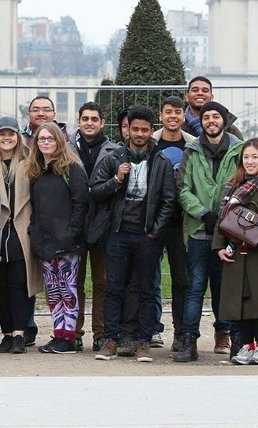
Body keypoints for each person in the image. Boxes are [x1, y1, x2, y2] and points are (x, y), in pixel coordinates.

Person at [90, 106, 176, 363]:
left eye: (145, 130)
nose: (139, 134)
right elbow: (95, 191)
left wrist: (156, 231)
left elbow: (168, 200)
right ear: (126, 130)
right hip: (118, 234)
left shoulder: (161, 161)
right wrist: (117, 179)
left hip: (146, 236)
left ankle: (143, 340)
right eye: (135, 129)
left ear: (152, 131)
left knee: (147, 289)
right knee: (114, 287)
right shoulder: (113, 158)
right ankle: (111, 339)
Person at [175, 101, 241, 361]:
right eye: (206, 117)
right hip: (199, 230)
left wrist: (225, 218)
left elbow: (244, 182)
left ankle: (233, 338)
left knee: (226, 288)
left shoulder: (238, 149)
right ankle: (189, 341)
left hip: (229, 232)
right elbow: (183, 189)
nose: (211, 121)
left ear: (225, 120)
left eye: (216, 116)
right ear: (200, 122)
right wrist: (203, 213)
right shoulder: (191, 151)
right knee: (195, 288)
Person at [214, 138, 258, 365]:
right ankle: (247, 345)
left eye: (255, 156)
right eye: (246, 157)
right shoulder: (234, 184)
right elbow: (222, 216)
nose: (250, 161)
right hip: (236, 250)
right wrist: (218, 245)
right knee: (240, 301)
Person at [27, 122, 89, 356]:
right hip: (44, 242)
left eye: (50, 139)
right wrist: (34, 230)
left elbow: (80, 204)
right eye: (41, 139)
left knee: (68, 289)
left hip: (67, 244)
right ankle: (58, 332)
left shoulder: (72, 169)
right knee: (52, 292)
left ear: (59, 141)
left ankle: (69, 336)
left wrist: (72, 232)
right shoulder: (36, 171)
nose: (45, 143)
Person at [0, 116, 39, 354]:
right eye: (2, 134)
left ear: (18, 137)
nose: (7, 138)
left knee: (20, 284)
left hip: (20, 231)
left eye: (11, 134)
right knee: (0, 286)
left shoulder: (29, 163)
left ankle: (19, 333)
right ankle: (6, 333)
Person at [73, 101, 120, 352]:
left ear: (102, 123)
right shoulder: (68, 148)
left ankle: (101, 332)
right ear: (78, 121)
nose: (89, 122)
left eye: (94, 119)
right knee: (75, 281)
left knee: (102, 281)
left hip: (104, 225)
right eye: (85, 118)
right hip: (75, 224)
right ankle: (75, 332)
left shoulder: (114, 150)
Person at [151, 95, 191, 351]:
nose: (173, 116)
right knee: (145, 277)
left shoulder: (193, 145)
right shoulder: (151, 142)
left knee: (182, 280)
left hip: (182, 222)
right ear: (161, 115)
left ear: (184, 115)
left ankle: (181, 332)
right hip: (153, 222)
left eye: (177, 111)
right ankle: (149, 330)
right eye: (168, 112)